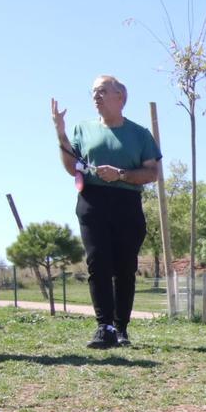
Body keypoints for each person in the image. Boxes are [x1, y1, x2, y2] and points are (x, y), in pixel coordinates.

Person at [52, 76, 161, 349]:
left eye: (102, 91)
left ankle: (121, 327)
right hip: (92, 200)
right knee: (98, 262)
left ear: (120, 97)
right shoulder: (82, 129)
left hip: (127, 201)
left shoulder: (140, 134)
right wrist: (60, 131)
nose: (96, 97)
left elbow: (152, 173)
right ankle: (104, 327)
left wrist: (121, 174)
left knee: (125, 267)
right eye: (93, 93)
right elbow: (70, 167)